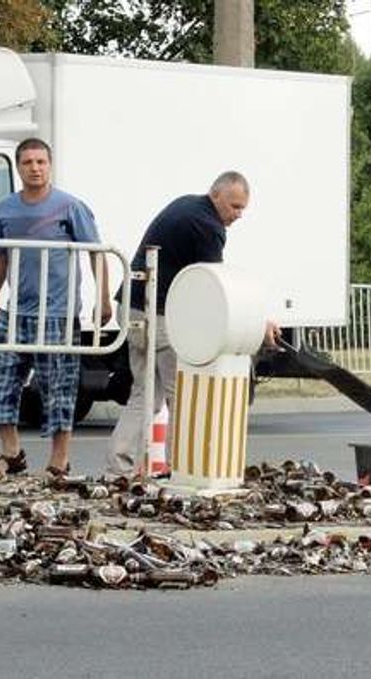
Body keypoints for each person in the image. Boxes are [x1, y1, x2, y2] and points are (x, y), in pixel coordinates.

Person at [105, 171, 277, 479]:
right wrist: (259, 323)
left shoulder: (185, 204)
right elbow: (216, 285)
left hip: (131, 306)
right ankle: (182, 469)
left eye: (242, 209)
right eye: (235, 207)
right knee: (180, 395)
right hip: (158, 315)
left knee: (144, 393)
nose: (238, 216)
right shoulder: (208, 226)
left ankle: (120, 468)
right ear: (216, 196)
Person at [0, 137, 112, 477]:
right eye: (28, 163)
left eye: (41, 162)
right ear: (19, 167)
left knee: (60, 390)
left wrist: (104, 297)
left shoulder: (70, 206)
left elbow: (96, 252)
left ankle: (59, 461)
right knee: (0, 382)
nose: (35, 168)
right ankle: (11, 453)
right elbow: (1, 254)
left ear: (50, 166)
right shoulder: (6, 208)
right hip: (16, 312)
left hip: (58, 314)